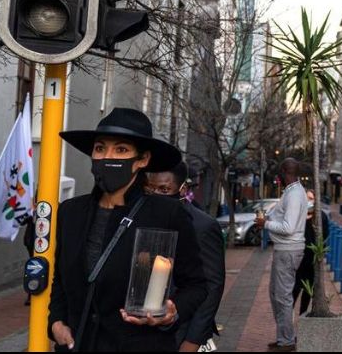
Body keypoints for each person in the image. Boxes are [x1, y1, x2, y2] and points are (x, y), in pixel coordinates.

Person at [49, 108, 207, 352]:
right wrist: (56, 322)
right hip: (78, 344)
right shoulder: (70, 212)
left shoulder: (166, 214)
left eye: (121, 149)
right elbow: (59, 278)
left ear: (142, 160)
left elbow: (196, 284)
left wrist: (172, 312)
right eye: (100, 148)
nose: (107, 156)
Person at [146, 161, 225, 352]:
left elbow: (212, 286)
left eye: (164, 189)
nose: (156, 195)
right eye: (150, 189)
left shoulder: (202, 226)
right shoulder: (143, 217)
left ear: (182, 190)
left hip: (182, 329)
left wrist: (193, 340)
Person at [254, 158, 308, 353]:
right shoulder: (291, 192)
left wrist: (265, 224)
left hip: (288, 250)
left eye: (279, 171)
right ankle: (284, 336)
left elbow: (288, 227)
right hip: (284, 249)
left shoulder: (294, 195)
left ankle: (286, 341)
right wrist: (269, 219)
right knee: (276, 294)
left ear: (285, 171)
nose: (277, 174)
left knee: (282, 296)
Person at [292, 189, 329, 315]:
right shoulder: (299, 215)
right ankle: (288, 323)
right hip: (298, 260)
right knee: (294, 290)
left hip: (312, 261)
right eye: (306, 198)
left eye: (311, 198)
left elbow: (325, 235)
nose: (308, 201)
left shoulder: (321, 216)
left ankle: (302, 317)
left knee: (308, 292)